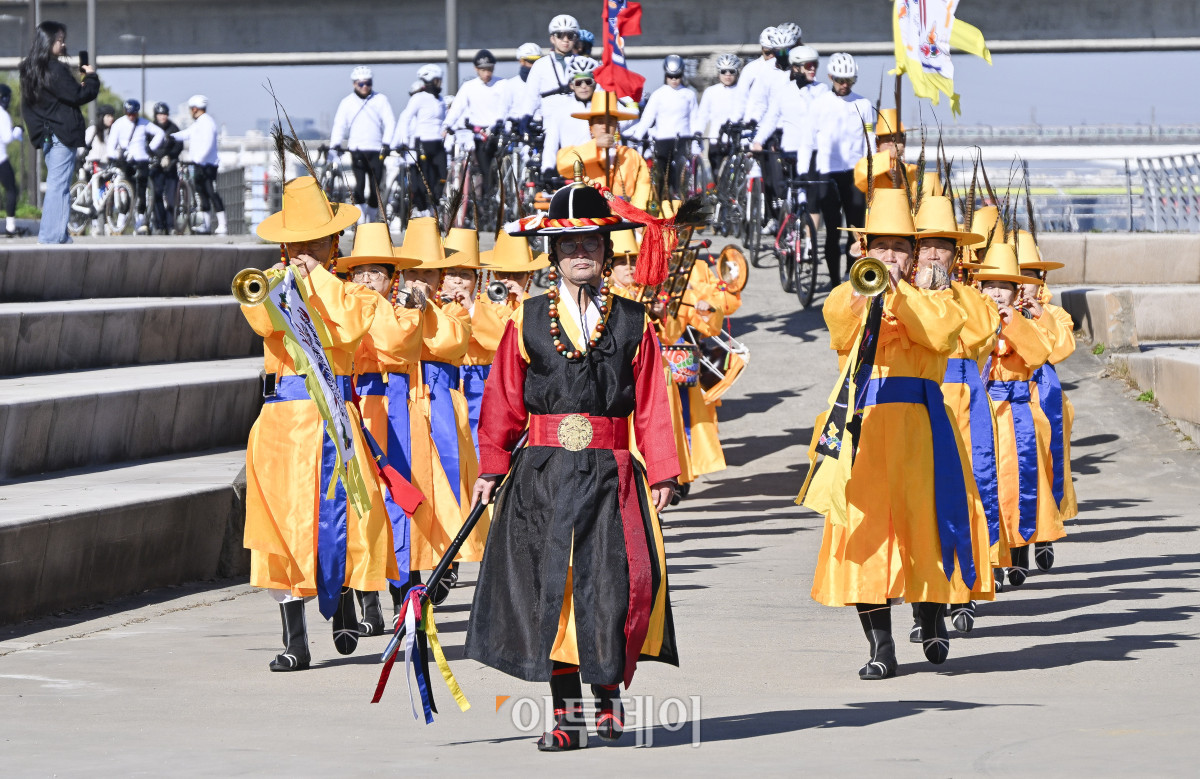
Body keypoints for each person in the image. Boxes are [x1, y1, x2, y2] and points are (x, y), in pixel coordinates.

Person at [465, 177, 680, 752]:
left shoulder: (635, 323)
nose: (579, 253)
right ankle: (566, 715)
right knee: (552, 591)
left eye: (589, 244)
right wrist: (490, 468)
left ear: (607, 252)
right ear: (553, 254)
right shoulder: (526, 320)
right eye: (568, 245)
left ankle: (609, 702)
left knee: (609, 583)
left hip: (611, 471)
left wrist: (661, 470)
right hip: (543, 475)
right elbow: (504, 399)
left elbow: (655, 400)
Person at [799, 188, 989, 680]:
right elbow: (840, 326)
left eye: (900, 249)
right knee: (865, 535)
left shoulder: (938, 300)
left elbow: (942, 334)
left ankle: (930, 618)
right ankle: (880, 646)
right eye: (880, 247)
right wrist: (874, 291)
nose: (890, 256)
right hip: (862, 427)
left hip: (920, 427)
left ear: (913, 253)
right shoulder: (852, 292)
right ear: (864, 251)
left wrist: (900, 292)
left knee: (926, 523)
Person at [242, 174, 396, 671]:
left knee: (349, 519)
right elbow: (261, 319)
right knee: (279, 532)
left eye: (316, 242)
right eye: (296, 243)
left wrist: (318, 277)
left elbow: (348, 328)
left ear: (334, 244)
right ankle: (294, 641)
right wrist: (288, 281)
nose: (304, 251)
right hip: (281, 427)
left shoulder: (354, 295)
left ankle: (346, 605)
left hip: (332, 421)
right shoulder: (271, 284)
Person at [913, 194, 999, 635]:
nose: (932, 255)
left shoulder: (970, 298)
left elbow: (983, 335)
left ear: (955, 253)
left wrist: (945, 295)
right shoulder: (897, 295)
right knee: (915, 504)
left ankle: (962, 589)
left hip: (961, 405)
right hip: (910, 405)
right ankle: (922, 603)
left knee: (965, 494)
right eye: (925, 246)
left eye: (942, 247)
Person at [392, 218, 483, 604]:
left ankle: (448, 558)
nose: (419, 279)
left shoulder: (454, 310)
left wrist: (424, 306)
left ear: (440, 275)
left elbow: (450, 343)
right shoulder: (392, 308)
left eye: (427, 271)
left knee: (449, 485)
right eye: (412, 271)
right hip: (402, 404)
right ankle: (405, 576)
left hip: (442, 402)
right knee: (406, 487)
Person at [342, 222, 424, 635]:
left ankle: (401, 599)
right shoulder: (343, 306)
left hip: (390, 410)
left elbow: (397, 345)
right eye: (359, 272)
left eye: (376, 272)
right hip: (353, 408)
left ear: (392, 279)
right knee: (359, 506)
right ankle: (367, 605)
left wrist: (412, 308)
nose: (366, 280)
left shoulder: (398, 311)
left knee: (395, 503)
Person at [976, 242, 1060, 588]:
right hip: (981, 412)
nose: (997, 293)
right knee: (985, 487)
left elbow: (1045, 353)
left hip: (1020, 412)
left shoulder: (1026, 320)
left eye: (1005, 286)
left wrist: (1018, 323)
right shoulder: (970, 318)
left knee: (1019, 485)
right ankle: (992, 556)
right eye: (990, 286)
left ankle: (1022, 547)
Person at [1012, 229, 1077, 572]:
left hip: (1046, 400)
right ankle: (1017, 550)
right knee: (1018, 471)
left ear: (1042, 281)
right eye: (1016, 277)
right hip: (1011, 401)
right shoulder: (996, 313)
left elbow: (1061, 347)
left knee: (1048, 467)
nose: (1023, 284)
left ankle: (1045, 533)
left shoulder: (1055, 314)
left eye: (1031, 277)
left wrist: (1039, 315)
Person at [18, 20, 99, 244]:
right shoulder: (54, 69)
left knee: (57, 184)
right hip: (62, 134)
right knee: (59, 186)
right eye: (60, 40)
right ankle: (51, 237)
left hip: (46, 135)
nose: (63, 45)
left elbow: (28, 107)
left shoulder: (28, 70)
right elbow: (78, 96)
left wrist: (36, 133)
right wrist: (90, 77)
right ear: (48, 41)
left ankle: (58, 235)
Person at [752, 45, 830, 237]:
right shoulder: (784, 91)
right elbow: (771, 119)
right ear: (796, 68)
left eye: (815, 65)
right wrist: (758, 141)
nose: (813, 69)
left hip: (813, 151)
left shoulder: (822, 90)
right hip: (789, 151)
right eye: (809, 65)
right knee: (787, 193)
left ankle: (809, 246)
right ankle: (788, 230)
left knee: (812, 200)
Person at [812, 53, 872, 284]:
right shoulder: (820, 104)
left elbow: (870, 136)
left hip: (855, 173)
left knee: (856, 229)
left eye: (850, 80)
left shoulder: (863, 104)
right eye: (839, 80)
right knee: (833, 230)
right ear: (830, 77)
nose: (844, 85)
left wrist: (873, 165)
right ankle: (834, 280)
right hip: (828, 172)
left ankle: (851, 275)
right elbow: (811, 139)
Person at [556, 92, 650, 209]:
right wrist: (595, 146)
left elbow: (644, 188)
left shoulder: (631, 155)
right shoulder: (580, 152)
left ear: (616, 126)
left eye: (610, 122)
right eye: (600, 121)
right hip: (590, 219)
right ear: (591, 126)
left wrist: (637, 216)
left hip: (625, 221)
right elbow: (562, 165)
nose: (605, 126)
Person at [625, 55, 699, 200]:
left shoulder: (689, 94)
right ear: (666, 75)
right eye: (671, 76)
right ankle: (660, 201)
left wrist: (696, 139)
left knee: (680, 167)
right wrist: (638, 135)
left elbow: (694, 119)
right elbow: (647, 117)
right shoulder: (658, 95)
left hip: (683, 138)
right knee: (660, 172)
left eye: (677, 76)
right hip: (663, 139)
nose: (674, 80)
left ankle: (680, 198)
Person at [330, 66, 395, 224]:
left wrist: (387, 143)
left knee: (375, 187)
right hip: (357, 149)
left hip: (376, 149)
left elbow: (390, 122)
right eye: (361, 84)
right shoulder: (347, 103)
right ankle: (360, 221)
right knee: (359, 186)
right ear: (354, 84)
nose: (365, 86)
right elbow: (339, 125)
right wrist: (335, 145)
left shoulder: (381, 100)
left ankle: (371, 219)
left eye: (368, 83)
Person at [442, 50, 510, 199]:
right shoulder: (469, 87)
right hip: (480, 136)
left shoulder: (503, 84)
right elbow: (457, 108)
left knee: (503, 169)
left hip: (498, 133)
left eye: (490, 69)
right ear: (476, 69)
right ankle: (486, 202)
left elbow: (505, 107)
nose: (487, 73)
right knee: (485, 171)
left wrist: (499, 123)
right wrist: (447, 126)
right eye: (483, 70)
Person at [393, 66, 446, 217]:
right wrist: (404, 142)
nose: (440, 84)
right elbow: (406, 118)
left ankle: (434, 204)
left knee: (442, 176)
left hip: (438, 143)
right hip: (422, 142)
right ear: (430, 81)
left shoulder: (440, 99)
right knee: (424, 180)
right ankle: (423, 210)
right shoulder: (419, 98)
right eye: (437, 81)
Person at [107, 99, 166, 234]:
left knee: (141, 192)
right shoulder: (119, 124)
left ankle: (140, 221)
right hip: (126, 161)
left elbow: (160, 133)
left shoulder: (144, 123)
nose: (131, 116)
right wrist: (115, 156)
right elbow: (111, 144)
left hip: (141, 160)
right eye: (129, 114)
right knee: (127, 192)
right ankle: (121, 221)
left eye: (134, 114)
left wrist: (150, 149)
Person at [172, 95, 227, 234]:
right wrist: (170, 137)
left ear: (195, 109)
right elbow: (187, 134)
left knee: (212, 193)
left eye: (190, 109)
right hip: (199, 164)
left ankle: (223, 225)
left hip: (208, 165)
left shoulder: (208, 123)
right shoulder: (198, 123)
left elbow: (208, 145)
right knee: (202, 194)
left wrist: (199, 159)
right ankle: (206, 225)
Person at [540, 55, 599, 183]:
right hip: (571, 172)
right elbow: (551, 143)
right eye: (579, 82)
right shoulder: (560, 110)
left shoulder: (603, 108)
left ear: (595, 83)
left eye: (588, 82)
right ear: (572, 85)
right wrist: (547, 169)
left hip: (598, 172)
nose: (584, 86)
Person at [520, 14, 580, 126]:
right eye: (560, 35)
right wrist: (526, 117)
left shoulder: (585, 63)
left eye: (570, 35)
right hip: (550, 122)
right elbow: (531, 96)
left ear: (575, 38)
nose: (565, 40)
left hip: (578, 122)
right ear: (552, 38)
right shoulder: (540, 64)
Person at [696, 53, 745, 175]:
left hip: (736, 140)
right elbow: (702, 116)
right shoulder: (710, 92)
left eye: (731, 71)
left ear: (737, 73)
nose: (727, 75)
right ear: (718, 73)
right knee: (716, 174)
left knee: (737, 175)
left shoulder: (743, 91)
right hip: (715, 140)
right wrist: (697, 133)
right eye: (724, 71)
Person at [853, 108, 917, 194]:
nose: (891, 144)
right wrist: (888, 156)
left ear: (903, 142)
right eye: (887, 140)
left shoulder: (911, 170)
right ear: (877, 143)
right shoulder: (865, 164)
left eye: (896, 139)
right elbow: (860, 180)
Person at [148, 102, 182, 235]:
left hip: (170, 167)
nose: (162, 117)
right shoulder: (150, 128)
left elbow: (179, 146)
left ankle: (170, 224)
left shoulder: (174, 128)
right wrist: (155, 157)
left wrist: (170, 156)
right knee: (156, 195)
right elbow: (146, 145)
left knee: (171, 198)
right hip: (156, 167)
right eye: (160, 114)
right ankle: (159, 224)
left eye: (165, 114)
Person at [0, 84, 24, 237]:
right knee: (11, 190)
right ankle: (10, 226)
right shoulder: (3, 114)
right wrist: (18, 130)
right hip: (0, 159)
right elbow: (7, 138)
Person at [499, 43, 543, 126]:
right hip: (516, 130)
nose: (535, 65)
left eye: (538, 61)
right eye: (531, 61)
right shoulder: (510, 85)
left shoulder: (545, 84)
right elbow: (502, 111)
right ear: (521, 61)